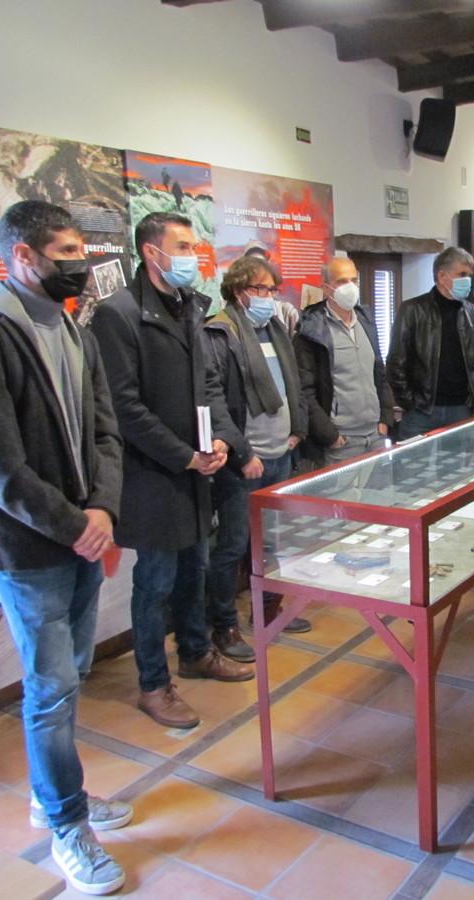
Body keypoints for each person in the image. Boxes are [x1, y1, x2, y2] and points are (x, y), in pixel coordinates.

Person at [0, 201, 129, 894]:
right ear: (24, 257)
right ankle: (67, 821)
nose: (81, 262)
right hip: (28, 551)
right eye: (69, 249)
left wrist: (101, 507)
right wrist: (77, 524)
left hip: (83, 536)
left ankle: (54, 795)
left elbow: (105, 429)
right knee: (50, 690)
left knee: (71, 672)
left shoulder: (73, 329)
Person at [90, 212, 253, 733]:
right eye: (181, 245)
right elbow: (123, 405)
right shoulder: (117, 315)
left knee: (195, 569)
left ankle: (196, 651)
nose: (192, 255)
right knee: (155, 582)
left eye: (194, 245)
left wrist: (222, 440)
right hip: (152, 476)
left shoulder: (189, 307)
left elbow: (208, 385)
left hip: (195, 472)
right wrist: (182, 454)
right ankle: (153, 684)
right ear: (150, 251)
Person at [204, 254, 311, 656]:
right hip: (244, 461)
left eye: (271, 289)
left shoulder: (276, 329)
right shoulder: (220, 332)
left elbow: (293, 384)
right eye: (258, 289)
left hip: (281, 451)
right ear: (237, 290)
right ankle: (224, 627)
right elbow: (215, 401)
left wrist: (297, 430)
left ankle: (268, 612)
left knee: (271, 541)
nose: (267, 296)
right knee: (231, 546)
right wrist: (243, 452)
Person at [295, 256, 395, 466]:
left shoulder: (366, 322)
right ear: (326, 287)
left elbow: (379, 374)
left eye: (353, 280)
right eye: (341, 281)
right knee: (341, 499)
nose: (349, 287)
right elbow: (305, 391)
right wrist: (329, 436)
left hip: (375, 435)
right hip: (342, 441)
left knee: (378, 497)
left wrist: (385, 419)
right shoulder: (311, 331)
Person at [386, 246, 474, 439]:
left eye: (469, 275)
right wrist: (409, 402)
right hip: (421, 411)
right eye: (462, 274)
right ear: (443, 277)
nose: (468, 280)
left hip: (461, 409)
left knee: (461, 467)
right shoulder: (412, 310)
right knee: (414, 467)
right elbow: (396, 361)